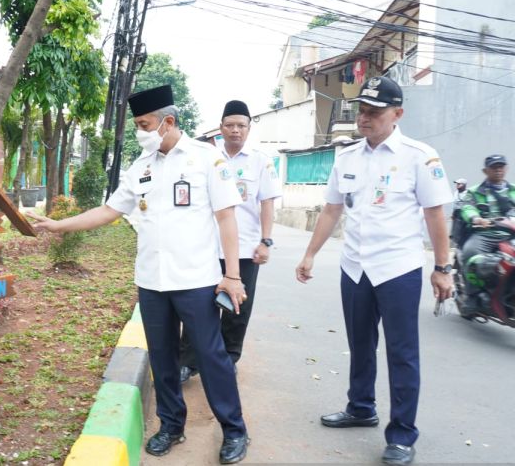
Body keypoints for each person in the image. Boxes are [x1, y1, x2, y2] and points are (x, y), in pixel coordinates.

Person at [28, 85, 250, 464]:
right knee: (163, 359)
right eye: (137, 125)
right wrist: (58, 225)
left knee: (211, 357)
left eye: (144, 124)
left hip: (195, 280)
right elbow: (108, 211)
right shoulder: (140, 167)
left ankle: (234, 430)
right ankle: (171, 425)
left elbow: (227, 218)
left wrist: (232, 276)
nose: (140, 131)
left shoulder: (206, 159)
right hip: (151, 282)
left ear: (168, 121)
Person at [294, 76, 453, 466]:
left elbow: (435, 214)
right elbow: (332, 208)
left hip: (397, 268)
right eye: (362, 111)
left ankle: (401, 434)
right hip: (355, 268)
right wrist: (310, 253)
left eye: (374, 112)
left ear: (397, 114)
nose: (365, 118)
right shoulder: (347, 157)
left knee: (402, 353)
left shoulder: (419, 156)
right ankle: (361, 406)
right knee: (360, 344)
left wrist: (442, 267)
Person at [179, 100, 282, 384]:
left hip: (246, 248)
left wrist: (266, 241)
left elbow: (267, 205)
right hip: (207, 246)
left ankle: (227, 358)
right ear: (220, 128)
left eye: (241, 126)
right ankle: (188, 362)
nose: (235, 130)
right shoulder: (207, 157)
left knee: (238, 307)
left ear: (249, 129)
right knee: (199, 305)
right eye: (230, 125)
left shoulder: (261, 161)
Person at [458, 155, 515, 312]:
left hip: (511, 234)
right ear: (485, 170)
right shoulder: (475, 191)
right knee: (471, 253)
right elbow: (467, 207)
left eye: (501, 166)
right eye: (494, 167)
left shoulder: (513, 190)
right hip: (486, 234)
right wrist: (476, 218)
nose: (498, 169)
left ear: (506, 169)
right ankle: (472, 296)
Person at [450, 178, 469, 245]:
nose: (457, 185)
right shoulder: (456, 193)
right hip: (457, 213)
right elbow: (454, 204)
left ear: (464, 185)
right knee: (455, 228)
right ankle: (456, 241)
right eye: (456, 184)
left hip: (464, 213)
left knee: (463, 228)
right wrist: (453, 213)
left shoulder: (468, 193)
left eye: (459, 184)